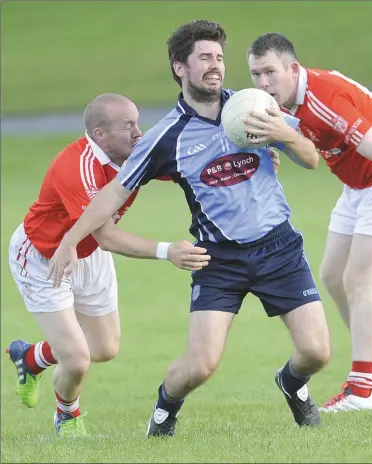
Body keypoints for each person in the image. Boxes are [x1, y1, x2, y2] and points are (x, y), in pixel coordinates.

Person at [47, 20, 331, 437]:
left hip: (278, 247)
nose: (216, 65)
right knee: (200, 367)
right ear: (180, 67)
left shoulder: (255, 106)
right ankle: (165, 408)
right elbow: (113, 193)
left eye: (219, 57)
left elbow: (312, 159)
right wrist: (71, 239)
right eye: (204, 58)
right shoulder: (165, 137)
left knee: (316, 352)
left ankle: (292, 384)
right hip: (217, 259)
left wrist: (281, 135)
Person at [246, 33, 372, 412]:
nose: (263, 83)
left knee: (361, 280)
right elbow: (308, 156)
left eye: (270, 72)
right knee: (332, 276)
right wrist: (277, 144)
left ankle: (363, 390)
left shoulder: (325, 100)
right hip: (356, 185)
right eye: (256, 73)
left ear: (293, 69)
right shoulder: (280, 103)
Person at [6, 93, 210, 438]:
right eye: (127, 125)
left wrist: (250, 155)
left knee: (103, 349)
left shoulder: (133, 152)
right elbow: (106, 236)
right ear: (100, 134)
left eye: (137, 122)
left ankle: (30, 358)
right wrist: (167, 251)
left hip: (88, 255)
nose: (138, 132)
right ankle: (67, 415)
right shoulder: (77, 166)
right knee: (77, 359)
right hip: (44, 258)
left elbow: (187, 160)